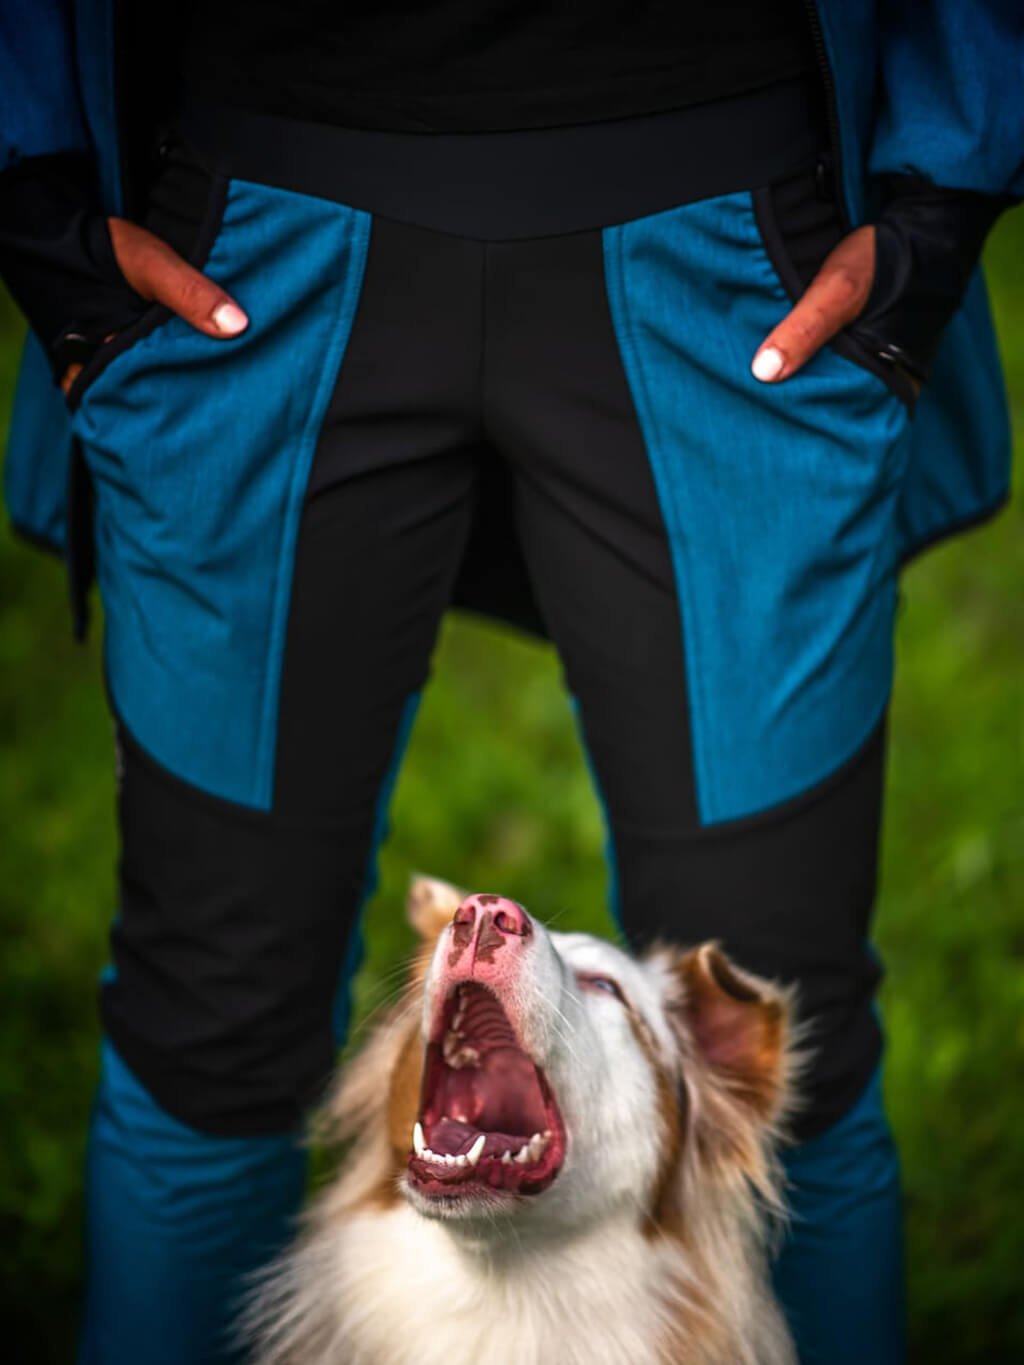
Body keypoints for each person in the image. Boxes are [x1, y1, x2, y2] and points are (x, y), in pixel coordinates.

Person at [0, 3, 1020, 1362]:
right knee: (210, 1030)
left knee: (780, 1044)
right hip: (250, 241)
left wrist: (938, 208)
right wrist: (38, 209)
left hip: (727, 240)